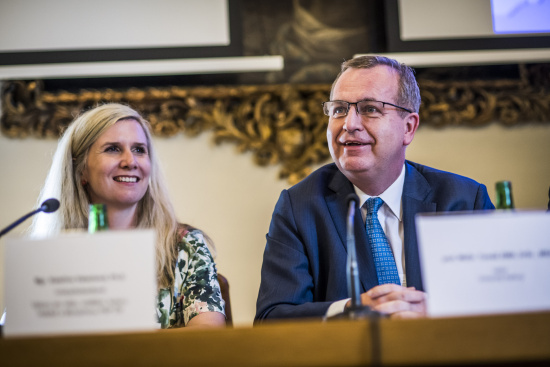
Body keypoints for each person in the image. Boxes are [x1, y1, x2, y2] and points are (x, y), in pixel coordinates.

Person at [255, 55, 495, 322]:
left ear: (408, 127)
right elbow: (272, 318)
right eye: (339, 109)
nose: (349, 124)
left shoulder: (463, 201)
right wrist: (349, 310)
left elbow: (505, 304)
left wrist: (438, 311)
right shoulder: (299, 206)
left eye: (369, 109)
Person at [29, 103, 226, 328]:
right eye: (113, 148)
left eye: (139, 149)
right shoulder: (49, 252)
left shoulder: (185, 246)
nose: (130, 161)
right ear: (81, 169)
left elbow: (207, 339)